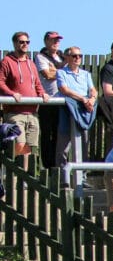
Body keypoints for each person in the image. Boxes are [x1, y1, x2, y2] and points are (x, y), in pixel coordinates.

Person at [1, 32, 50, 170]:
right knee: (19, 144)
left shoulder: (31, 63)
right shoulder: (7, 61)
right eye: (22, 42)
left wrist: (42, 94)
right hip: (15, 113)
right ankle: (9, 171)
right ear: (15, 43)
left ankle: (24, 179)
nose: (25, 45)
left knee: (28, 148)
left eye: (27, 42)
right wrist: (11, 94)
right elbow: (1, 82)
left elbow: (37, 83)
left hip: (32, 113)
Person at [54, 46, 97, 168]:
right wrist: (83, 98)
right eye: (74, 56)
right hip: (67, 110)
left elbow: (93, 90)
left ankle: (82, 178)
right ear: (67, 57)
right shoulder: (61, 72)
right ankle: (63, 179)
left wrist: (92, 99)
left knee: (83, 143)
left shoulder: (86, 74)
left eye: (79, 56)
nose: (77, 58)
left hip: (83, 111)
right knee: (63, 145)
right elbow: (64, 89)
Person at [34, 32, 64, 169]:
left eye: (58, 40)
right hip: (48, 101)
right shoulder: (40, 57)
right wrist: (63, 71)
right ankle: (47, 166)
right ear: (46, 41)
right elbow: (47, 74)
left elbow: (72, 72)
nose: (56, 42)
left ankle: (59, 166)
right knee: (47, 134)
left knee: (60, 135)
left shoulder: (62, 56)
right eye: (53, 40)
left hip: (62, 102)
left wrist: (56, 71)